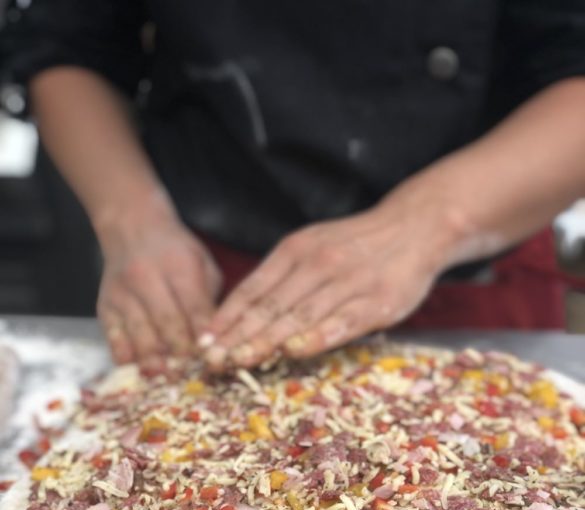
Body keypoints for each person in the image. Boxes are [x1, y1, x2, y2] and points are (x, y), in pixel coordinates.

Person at [1, 1, 585, 370]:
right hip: (211, 287)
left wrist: (431, 221)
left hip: (477, 264)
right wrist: (133, 222)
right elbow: (69, 43)